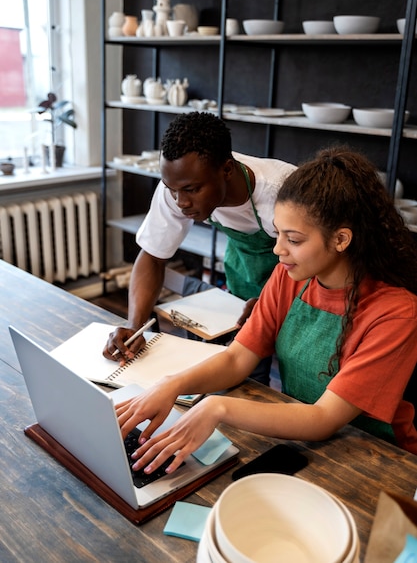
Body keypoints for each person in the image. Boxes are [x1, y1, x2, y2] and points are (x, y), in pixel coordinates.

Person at [115, 146, 417, 477]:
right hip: (309, 445)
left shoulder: (396, 313)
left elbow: (324, 418)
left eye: (295, 239)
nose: (278, 249)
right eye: (278, 233)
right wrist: (171, 384)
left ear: (341, 239)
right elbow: (237, 359)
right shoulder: (289, 278)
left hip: (382, 461)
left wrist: (217, 406)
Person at [103, 111, 296, 385]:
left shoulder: (282, 192)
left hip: (300, 288)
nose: (181, 201)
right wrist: (135, 326)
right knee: (247, 379)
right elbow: (153, 256)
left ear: (227, 170)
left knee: (292, 384)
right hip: (244, 280)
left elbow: (319, 264)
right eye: (173, 190)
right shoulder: (179, 182)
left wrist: (271, 303)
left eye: (192, 190)